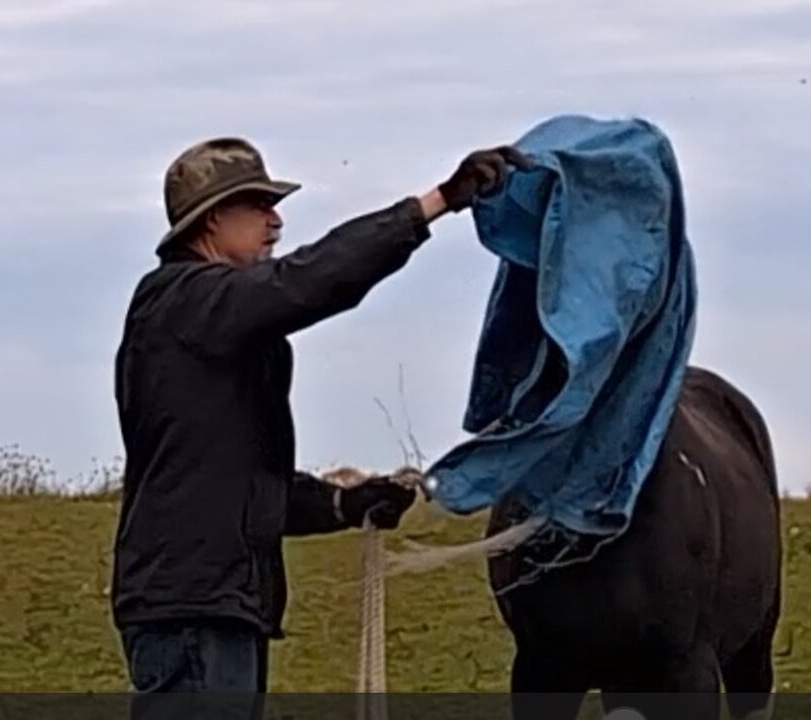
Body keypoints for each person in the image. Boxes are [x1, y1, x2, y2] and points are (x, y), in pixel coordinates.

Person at [111, 136, 533, 695]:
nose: (275, 222)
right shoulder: (186, 301)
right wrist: (433, 204)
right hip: (193, 607)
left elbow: (242, 486)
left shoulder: (208, 325)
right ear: (211, 221)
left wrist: (343, 504)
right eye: (258, 207)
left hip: (207, 601)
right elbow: (310, 279)